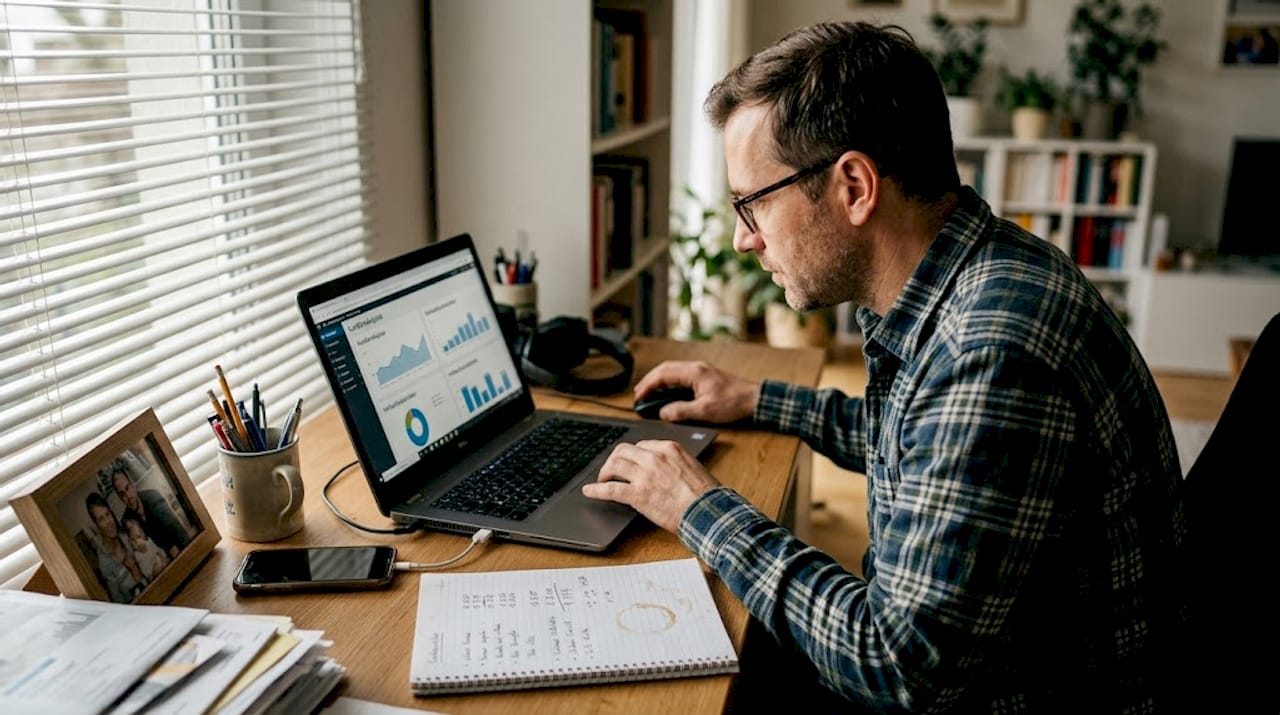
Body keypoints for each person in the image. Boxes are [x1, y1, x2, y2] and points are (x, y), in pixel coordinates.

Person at [583, 21, 1188, 712]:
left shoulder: (992, 348)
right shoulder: (967, 272)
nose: (743, 238)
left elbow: (896, 666)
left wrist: (698, 505)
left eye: (752, 203)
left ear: (854, 186)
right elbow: (921, 439)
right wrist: (756, 397)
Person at [110, 466, 190, 558]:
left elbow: (177, 529)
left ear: (132, 485)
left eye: (127, 488)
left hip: (180, 548)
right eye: (122, 494)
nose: (128, 496)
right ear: (119, 498)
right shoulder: (127, 520)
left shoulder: (152, 497)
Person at [85, 492, 145, 602]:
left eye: (108, 514)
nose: (108, 522)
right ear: (97, 525)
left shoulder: (126, 536)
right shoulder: (105, 564)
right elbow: (120, 603)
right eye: (101, 519)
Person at [121, 509, 171, 581]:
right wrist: (154, 572)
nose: (138, 543)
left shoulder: (150, 542)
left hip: (164, 564)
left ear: (143, 534)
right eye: (133, 541)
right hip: (155, 576)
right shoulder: (138, 556)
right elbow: (146, 573)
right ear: (130, 543)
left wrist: (162, 559)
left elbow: (160, 552)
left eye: (139, 537)